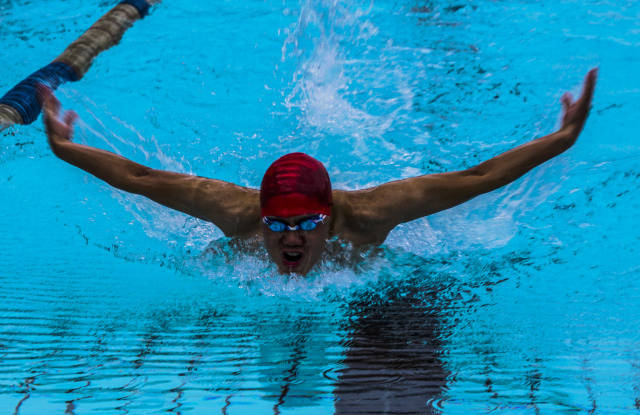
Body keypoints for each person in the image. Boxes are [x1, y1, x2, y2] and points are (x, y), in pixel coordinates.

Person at [40, 68, 598, 275]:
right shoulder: (234, 214)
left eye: (304, 223)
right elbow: (139, 179)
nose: (289, 238)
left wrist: (563, 137)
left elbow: (477, 180)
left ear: (328, 217)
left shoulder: (373, 215)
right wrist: (66, 150)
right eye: (277, 225)